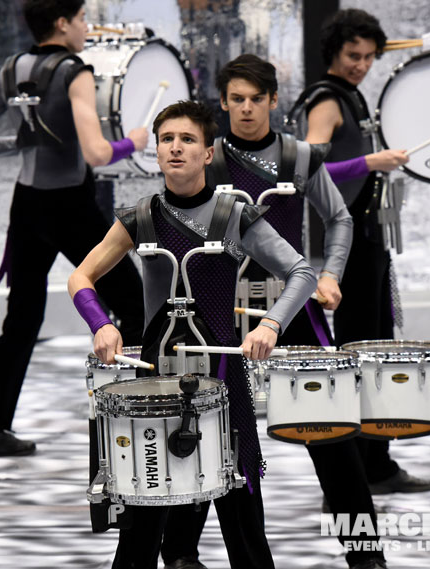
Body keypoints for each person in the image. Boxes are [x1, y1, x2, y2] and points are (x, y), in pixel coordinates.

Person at [69, 99, 317, 569]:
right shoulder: (140, 217)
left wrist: (270, 323)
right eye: (166, 140)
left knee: (244, 522)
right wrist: (100, 324)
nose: (175, 148)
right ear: (156, 152)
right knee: (142, 523)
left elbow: (301, 272)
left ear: (208, 153)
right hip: (156, 385)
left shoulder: (234, 216)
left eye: (187, 140)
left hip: (225, 383)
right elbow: (79, 278)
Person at [161, 54, 387, 569]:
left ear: (273, 101)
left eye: (255, 99)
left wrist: (329, 274)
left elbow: (340, 218)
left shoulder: (300, 156)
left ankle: (366, 554)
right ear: (222, 103)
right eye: (236, 99)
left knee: (327, 430)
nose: (245, 109)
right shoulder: (207, 157)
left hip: (291, 308)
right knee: (206, 430)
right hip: (216, 312)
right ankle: (180, 554)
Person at [0, 0, 146, 458]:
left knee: (20, 321)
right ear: (62, 23)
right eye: (82, 19)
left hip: (27, 206)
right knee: (134, 302)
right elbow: (98, 154)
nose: (85, 28)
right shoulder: (73, 70)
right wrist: (134, 142)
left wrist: (21, 141)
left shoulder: (9, 69)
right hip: (71, 206)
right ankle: (143, 412)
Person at [301, 8, 430, 496]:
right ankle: (358, 467)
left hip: (369, 236)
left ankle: (376, 462)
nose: (360, 64)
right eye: (352, 55)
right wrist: (370, 161)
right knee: (359, 352)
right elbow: (305, 171)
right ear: (334, 52)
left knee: (377, 349)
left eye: (368, 57)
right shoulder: (325, 100)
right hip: (347, 240)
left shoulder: (352, 95)